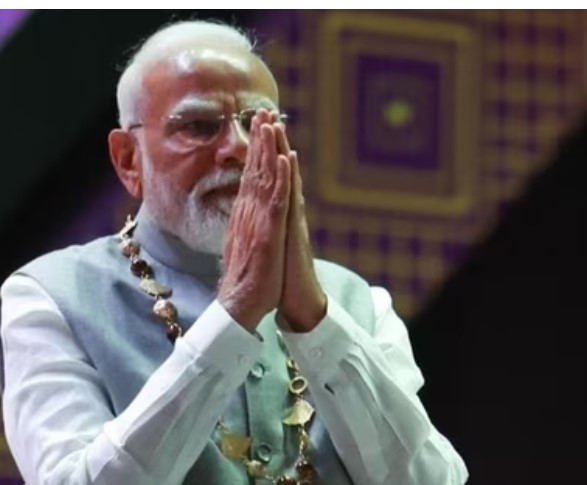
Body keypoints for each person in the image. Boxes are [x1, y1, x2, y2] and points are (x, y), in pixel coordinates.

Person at [0, 20, 468, 485]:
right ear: (128, 159)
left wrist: (314, 319)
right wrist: (234, 313)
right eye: (199, 126)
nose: (238, 149)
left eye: (259, 125)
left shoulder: (356, 301)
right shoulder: (49, 299)